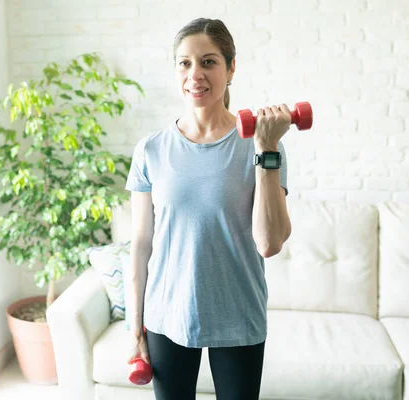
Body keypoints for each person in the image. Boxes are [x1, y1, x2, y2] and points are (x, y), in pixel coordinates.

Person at [124, 17, 292, 400]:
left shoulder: (264, 144)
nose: (195, 74)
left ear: (231, 68)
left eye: (209, 62)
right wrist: (135, 326)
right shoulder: (151, 150)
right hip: (166, 315)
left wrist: (266, 151)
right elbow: (140, 245)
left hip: (239, 315)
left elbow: (269, 243)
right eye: (185, 63)